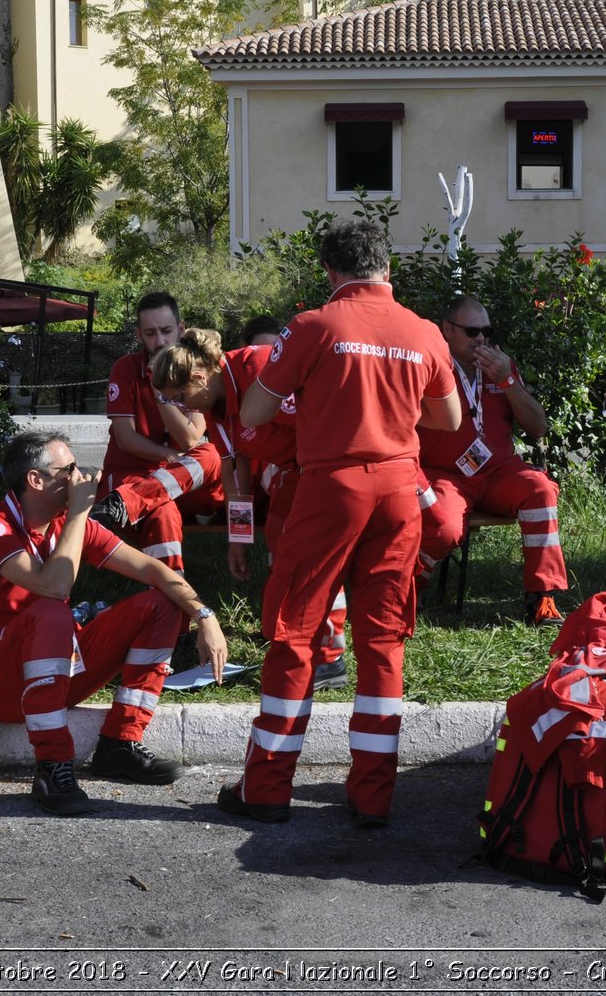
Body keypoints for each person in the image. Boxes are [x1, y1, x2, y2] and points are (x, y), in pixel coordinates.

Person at [216, 219, 461, 826]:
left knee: (295, 632)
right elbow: (449, 419)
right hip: (401, 491)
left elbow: (253, 408)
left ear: (330, 273)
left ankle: (267, 788)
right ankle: (372, 794)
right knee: (381, 639)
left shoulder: (313, 326)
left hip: (331, 489)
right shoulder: (424, 332)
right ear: (387, 268)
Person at [0, 430, 228, 815]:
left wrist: (205, 616)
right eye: (69, 469)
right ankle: (52, 767)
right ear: (36, 480)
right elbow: (54, 586)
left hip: (54, 670)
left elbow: (155, 570)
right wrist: (80, 514)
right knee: (53, 610)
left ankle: (121, 743)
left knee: (163, 604)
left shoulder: (66, 522)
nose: (83, 477)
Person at [150, 329, 350, 690]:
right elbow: (233, 468)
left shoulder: (259, 367)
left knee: (313, 559)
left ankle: (329, 658)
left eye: (181, 397)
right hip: (292, 470)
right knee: (279, 573)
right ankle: (297, 645)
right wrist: (238, 538)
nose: (183, 408)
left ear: (199, 377)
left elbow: (324, 420)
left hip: (327, 467)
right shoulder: (213, 400)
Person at [417, 295, 569, 627]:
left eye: (486, 331)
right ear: (447, 330)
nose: (482, 339)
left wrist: (508, 381)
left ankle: (541, 599)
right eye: (472, 331)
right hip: (445, 474)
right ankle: (411, 586)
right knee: (441, 526)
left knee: (540, 490)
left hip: (499, 471)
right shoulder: (430, 365)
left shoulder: (502, 366)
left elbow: (538, 427)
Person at [91, 292, 224, 571]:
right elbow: (126, 440)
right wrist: (171, 456)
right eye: (150, 333)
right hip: (134, 475)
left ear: (181, 328)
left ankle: (130, 503)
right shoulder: (125, 369)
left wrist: (159, 387)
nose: (160, 341)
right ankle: (173, 602)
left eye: (166, 331)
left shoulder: (197, 369)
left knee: (211, 453)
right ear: (139, 335)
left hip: (178, 480)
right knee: (161, 511)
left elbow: (191, 437)